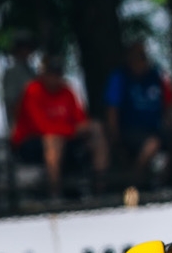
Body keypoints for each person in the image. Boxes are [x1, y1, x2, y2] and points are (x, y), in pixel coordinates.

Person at [11, 55, 108, 198]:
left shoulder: (66, 91)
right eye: (50, 73)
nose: (54, 77)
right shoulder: (32, 91)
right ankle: (56, 195)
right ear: (43, 74)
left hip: (66, 139)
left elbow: (81, 120)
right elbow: (41, 127)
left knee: (96, 129)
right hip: (32, 144)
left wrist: (77, 129)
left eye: (57, 73)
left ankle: (100, 188)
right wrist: (72, 130)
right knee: (52, 141)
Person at [105, 42, 172, 188]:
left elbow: (169, 106)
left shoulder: (157, 76)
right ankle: (135, 180)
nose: (141, 61)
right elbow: (112, 109)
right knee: (152, 144)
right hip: (130, 130)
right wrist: (114, 137)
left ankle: (165, 183)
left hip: (155, 128)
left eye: (143, 56)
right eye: (137, 56)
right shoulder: (120, 77)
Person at [2, 33, 36, 131]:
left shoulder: (31, 72)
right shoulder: (12, 73)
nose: (26, 51)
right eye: (23, 48)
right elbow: (11, 102)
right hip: (21, 127)